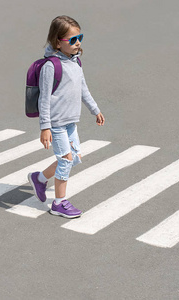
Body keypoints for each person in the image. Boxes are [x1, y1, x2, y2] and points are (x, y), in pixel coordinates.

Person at [28, 15, 105, 218]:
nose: (77, 42)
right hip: (56, 124)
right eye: (72, 39)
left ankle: (40, 179)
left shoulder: (76, 62)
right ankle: (59, 203)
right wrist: (44, 127)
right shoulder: (50, 66)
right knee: (65, 160)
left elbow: (83, 89)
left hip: (70, 122)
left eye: (79, 37)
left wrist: (95, 110)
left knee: (75, 159)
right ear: (57, 42)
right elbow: (44, 99)